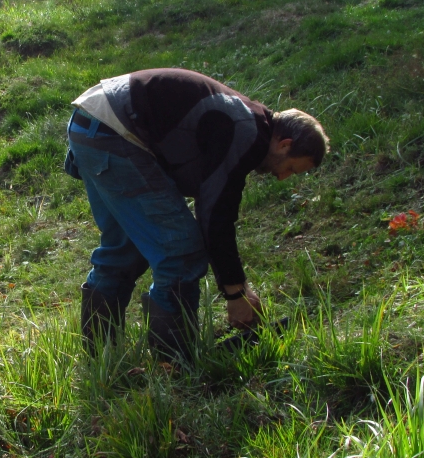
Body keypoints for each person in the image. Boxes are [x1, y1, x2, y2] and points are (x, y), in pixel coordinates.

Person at [64, 68, 329, 362]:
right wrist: (235, 295)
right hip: (114, 132)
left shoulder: (244, 121)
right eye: (291, 168)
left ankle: (101, 359)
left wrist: (238, 288)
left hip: (90, 123)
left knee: (125, 250)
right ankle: (175, 367)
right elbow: (215, 214)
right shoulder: (247, 133)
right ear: (285, 144)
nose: (282, 178)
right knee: (181, 251)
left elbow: (213, 210)